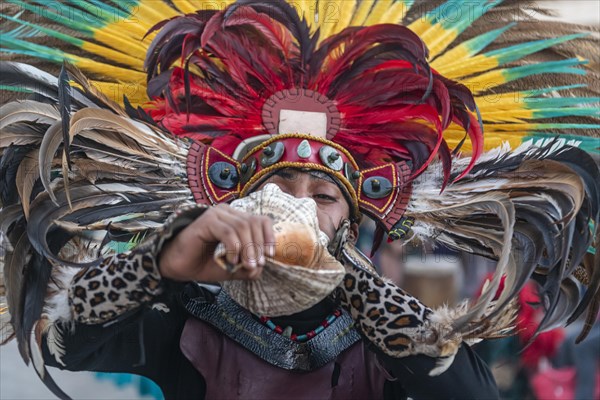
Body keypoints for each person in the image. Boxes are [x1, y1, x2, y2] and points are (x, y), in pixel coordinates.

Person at [1, 1, 599, 400]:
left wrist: (348, 280)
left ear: (354, 217)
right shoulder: (190, 313)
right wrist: (164, 258)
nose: (302, 206)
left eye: (323, 196)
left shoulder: (381, 324)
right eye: (281, 188)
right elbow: (73, 344)